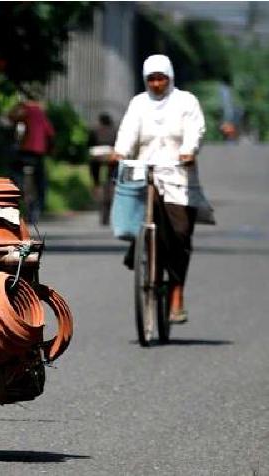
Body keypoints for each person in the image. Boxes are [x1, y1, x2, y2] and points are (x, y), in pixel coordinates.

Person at [112, 54, 213, 324]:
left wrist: (189, 151)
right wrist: (120, 152)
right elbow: (128, 131)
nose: (156, 84)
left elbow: (196, 129)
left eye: (161, 78)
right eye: (152, 79)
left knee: (180, 235)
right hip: (144, 173)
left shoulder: (185, 101)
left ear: (170, 77)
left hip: (178, 175)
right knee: (140, 219)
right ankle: (142, 252)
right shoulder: (139, 104)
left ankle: (177, 292)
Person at [7, 96, 55, 224]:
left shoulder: (25, 109)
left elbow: (11, 118)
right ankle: (40, 204)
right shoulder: (41, 113)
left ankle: (16, 188)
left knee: (14, 171)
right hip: (38, 153)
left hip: (25, 151)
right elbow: (50, 133)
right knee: (40, 181)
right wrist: (50, 150)